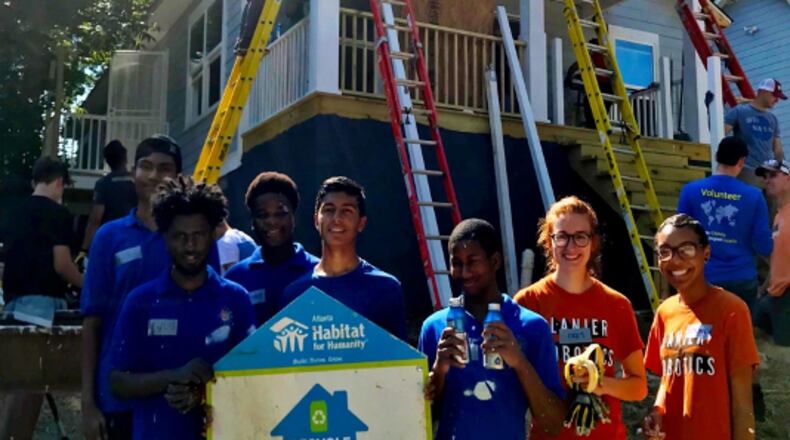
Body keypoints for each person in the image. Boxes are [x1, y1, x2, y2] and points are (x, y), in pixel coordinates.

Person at [109, 176, 255, 440]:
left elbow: (253, 379)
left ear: (213, 234)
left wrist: (205, 392)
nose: (190, 246)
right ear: (164, 237)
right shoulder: (140, 302)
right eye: (180, 236)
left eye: (199, 235)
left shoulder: (236, 299)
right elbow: (117, 382)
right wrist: (173, 377)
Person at [419, 219, 566, 440]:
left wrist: (519, 362)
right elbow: (421, 420)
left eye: (472, 262)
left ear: (495, 261)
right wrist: (439, 372)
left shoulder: (532, 327)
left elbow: (553, 424)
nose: (465, 272)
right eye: (457, 263)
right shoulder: (434, 328)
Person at [514, 196, 647, 439]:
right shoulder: (528, 302)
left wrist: (598, 383)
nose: (571, 246)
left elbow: (639, 387)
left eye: (580, 237)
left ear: (593, 243)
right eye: (562, 236)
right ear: (549, 242)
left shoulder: (617, 305)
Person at [81, 135, 182, 440]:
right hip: (117, 395)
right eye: (145, 166)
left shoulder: (191, 238)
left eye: (164, 168)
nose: (154, 176)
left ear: (177, 176)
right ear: (133, 172)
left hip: (176, 397)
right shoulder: (109, 237)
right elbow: (92, 322)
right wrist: (87, 404)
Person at [643, 214, 758, 440]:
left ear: (706, 252)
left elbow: (743, 404)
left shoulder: (732, 310)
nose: (675, 260)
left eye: (686, 250)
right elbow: (668, 379)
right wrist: (657, 411)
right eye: (665, 252)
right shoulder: (665, 312)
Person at [0, 156, 83, 439]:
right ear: (59, 182)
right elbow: (62, 264)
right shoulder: (58, 214)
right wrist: (88, 285)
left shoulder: (15, 212)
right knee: (32, 387)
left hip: (13, 302)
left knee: (15, 384)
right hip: (42, 304)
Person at [279, 176, 407, 339]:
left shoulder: (386, 288)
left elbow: (398, 354)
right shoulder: (294, 294)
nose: (337, 219)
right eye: (329, 210)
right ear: (316, 220)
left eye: (347, 211)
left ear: (361, 223)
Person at [677, 137, 773, 311]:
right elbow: (763, 244)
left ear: (717, 157)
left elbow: (680, 236)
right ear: (741, 161)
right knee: (739, 327)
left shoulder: (690, 191)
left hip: (702, 276)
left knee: (704, 328)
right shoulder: (754, 196)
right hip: (741, 277)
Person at [225, 172, 319, 325]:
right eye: (263, 215)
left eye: (280, 213)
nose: (272, 221)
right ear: (252, 222)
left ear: (294, 218)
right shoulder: (236, 278)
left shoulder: (318, 271)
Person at [753, 159, 790, 346]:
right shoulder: (778, 215)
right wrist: (764, 288)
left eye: (773, 175)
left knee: (784, 351)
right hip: (773, 293)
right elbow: (778, 258)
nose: (767, 180)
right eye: (765, 176)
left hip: (787, 295)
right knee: (750, 333)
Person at [724, 78, 786, 187]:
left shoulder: (773, 119)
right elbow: (719, 133)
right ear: (763, 92)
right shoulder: (739, 111)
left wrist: (781, 171)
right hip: (746, 171)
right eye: (774, 95)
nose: (777, 100)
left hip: (767, 173)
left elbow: (778, 150)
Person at [81, 140, 137, 255]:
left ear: (107, 161)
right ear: (125, 158)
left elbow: (95, 219)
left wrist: (84, 249)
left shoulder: (103, 184)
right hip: (134, 239)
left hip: (111, 240)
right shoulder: (136, 182)